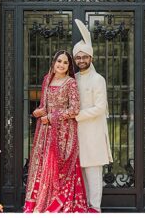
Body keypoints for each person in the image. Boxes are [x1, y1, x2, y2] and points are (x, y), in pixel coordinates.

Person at [23, 50, 95, 213]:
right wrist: (39, 112)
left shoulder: (71, 83)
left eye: (65, 63)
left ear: (69, 66)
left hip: (64, 132)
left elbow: (75, 109)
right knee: (44, 166)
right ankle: (41, 202)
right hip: (45, 131)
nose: (61, 65)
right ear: (53, 63)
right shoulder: (47, 80)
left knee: (58, 167)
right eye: (59, 61)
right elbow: (44, 105)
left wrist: (52, 116)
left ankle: (56, 204)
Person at [72, 19, 113, 211]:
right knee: (80, 172)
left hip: (94, 132)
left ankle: (95, 209)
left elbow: (99, 107)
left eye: (84, 57)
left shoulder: (98, 80)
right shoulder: (74, 79)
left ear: (91, 58)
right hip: (76, 132)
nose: (81, 60)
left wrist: (76, 115)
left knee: (93, 172)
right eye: (78, 57)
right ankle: (83, 208)